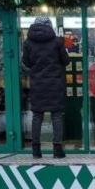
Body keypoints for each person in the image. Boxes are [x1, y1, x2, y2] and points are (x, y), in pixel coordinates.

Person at [21, 16, 70, 158]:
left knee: (37, 116)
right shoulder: (57, 41)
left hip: (37, 84)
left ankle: (36, 150)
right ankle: (57, 149)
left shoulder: (28, 43)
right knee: (56, 116)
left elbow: (26, 62)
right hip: (55, 84)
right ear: (49, 25)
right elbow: (66, 61)